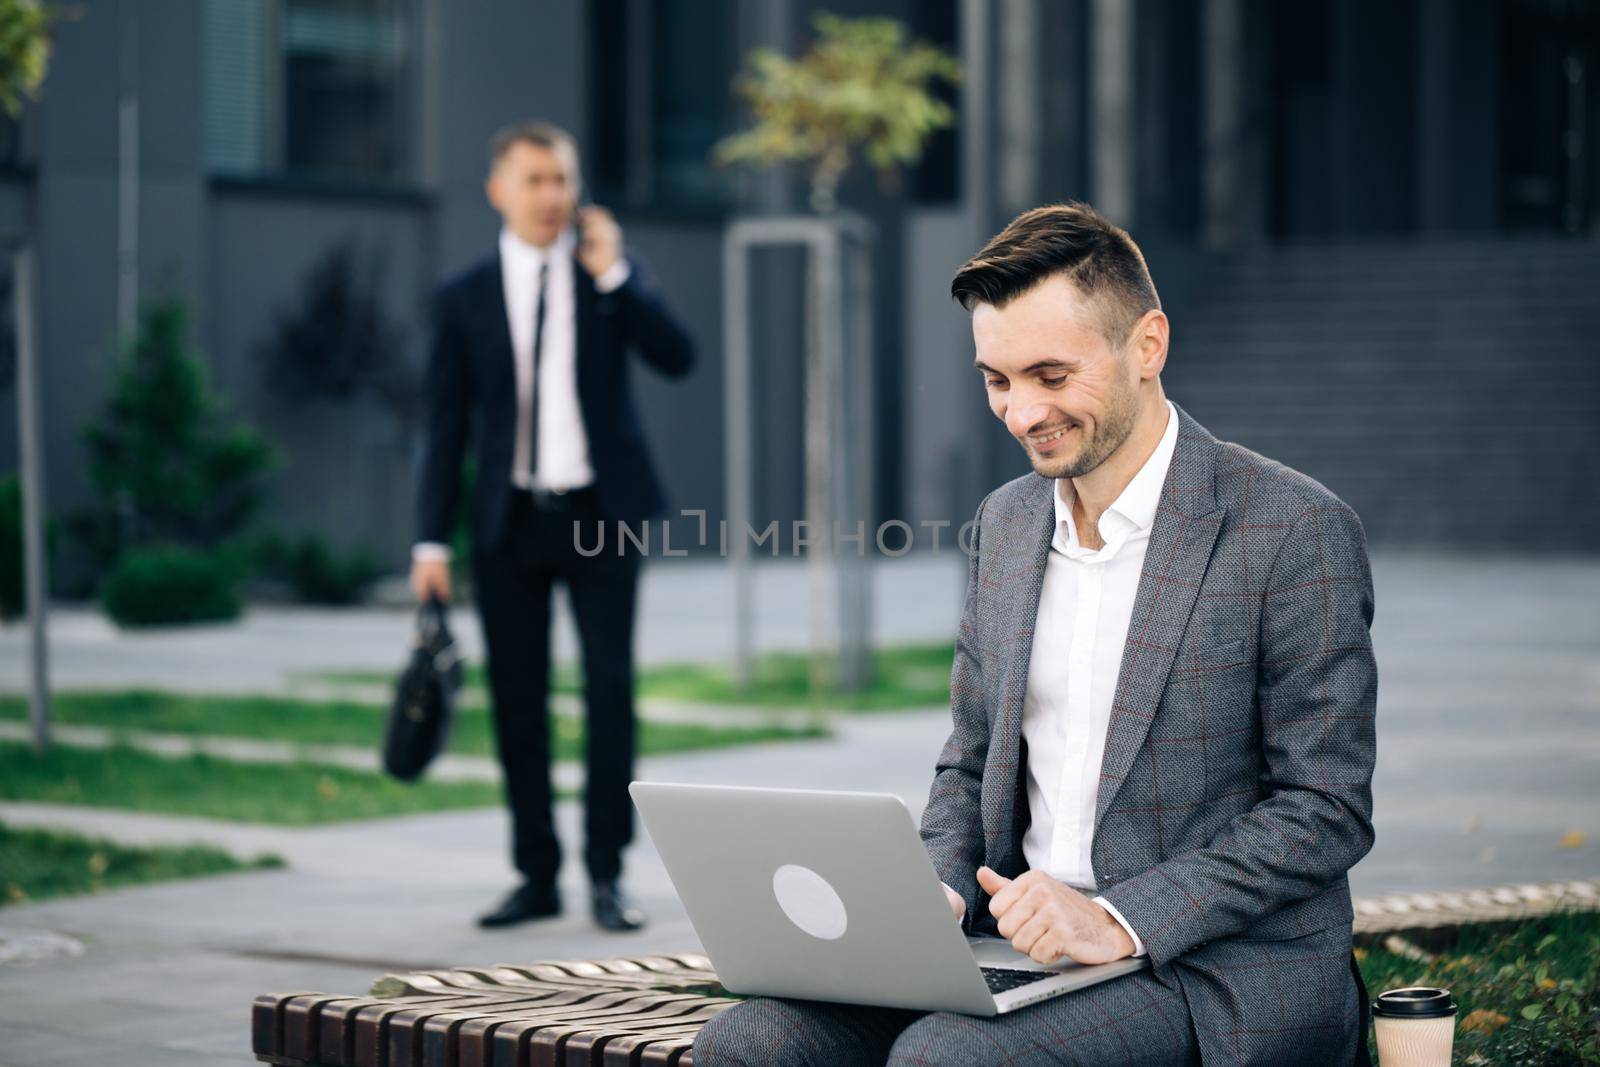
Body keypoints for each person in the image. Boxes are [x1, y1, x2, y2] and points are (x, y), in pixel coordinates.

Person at [693, 202, 1376, 1065]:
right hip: (1018, 949)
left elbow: (1324, 809)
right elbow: (971, 759)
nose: (1021, 413)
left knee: (949, 1060)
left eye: (1051, 374)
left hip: (1213, 965)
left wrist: (1119, 918)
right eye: (997, 380)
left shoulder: (1293, 528)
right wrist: (932, 889)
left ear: (1148, 346)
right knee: (748, 1041)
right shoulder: (1006, 524)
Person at [411, 121, 694, 932]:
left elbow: (678, 356)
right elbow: (446, 426)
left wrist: (617, 278)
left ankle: (607, 871)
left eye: (563, 179)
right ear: (498, 189)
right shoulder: (462, 296)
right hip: (510, 523)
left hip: (601, 517)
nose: (552, 196)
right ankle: (536, 871)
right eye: (534, 180)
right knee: (517, 699)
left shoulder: (604, 280)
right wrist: (430, 541)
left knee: (611, 694)